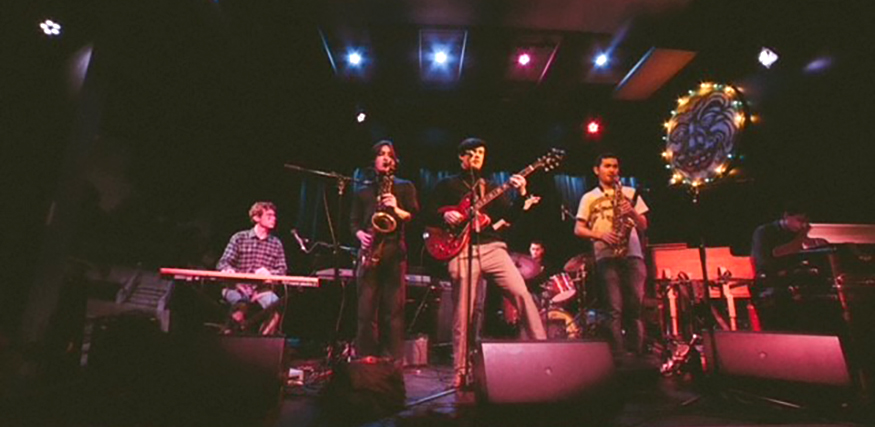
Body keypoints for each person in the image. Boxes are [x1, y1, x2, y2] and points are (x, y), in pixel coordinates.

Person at [427, 137, 546, 387]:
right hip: (461, 251)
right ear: (461, 157)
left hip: (493, 248)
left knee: (522, 294)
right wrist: (443, 214)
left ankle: (545, 355)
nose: (478, 156)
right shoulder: (446, 184)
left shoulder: (490, 186)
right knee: (462, 312)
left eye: (481, 152)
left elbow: (511, 215)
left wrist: (521, 192)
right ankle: (459, 372)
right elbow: (425, 214)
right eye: (472, 152)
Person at [574, 153, 649, 358]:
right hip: (606, 256)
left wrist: (632, 212)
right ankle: (618, 355)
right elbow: (578, 229)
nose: (612, 170)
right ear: (596, 170)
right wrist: (600, 234)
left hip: (632, 253)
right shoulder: (588, 197)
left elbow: (643, 225)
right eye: (607, 166)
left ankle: (638, 352)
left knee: (635, 306)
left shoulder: (630, 193)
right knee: (613, 308)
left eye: (615, 166)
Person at [350, 141, 419, 361]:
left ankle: (392, 361)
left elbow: (414, 217)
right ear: (374, 160)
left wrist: (396, 207)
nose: (386, 158)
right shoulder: (362, 189)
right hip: (369, 252)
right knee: (365, 312)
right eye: (381, 154)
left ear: (395, 162)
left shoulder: (405, 186)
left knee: (393, 312)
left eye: (390, 155)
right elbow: (353, 222)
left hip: (394, 251)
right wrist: (360, 235)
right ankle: (365, 359)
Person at [750, 202, 828, 331]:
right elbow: (772, 257)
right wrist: (801, 238)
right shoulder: (765, 231)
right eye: (799, 220)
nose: (803, 225)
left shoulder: (798, 233)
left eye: (806, 222)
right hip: (770, 283)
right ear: (786, 216)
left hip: (794, 282)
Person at [216, 201, 288, 335]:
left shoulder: (276, 243)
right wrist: (230, 272)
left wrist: (269, 273)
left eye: (274, 216)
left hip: (262, 290)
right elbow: (223, 263)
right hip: (236, 287)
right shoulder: (239, 238)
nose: (274, 218)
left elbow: (282, 269)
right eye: (269, 215)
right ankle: (230, 337)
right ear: (256, 218)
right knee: (240, 306)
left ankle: (262, 343)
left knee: (276, 306)